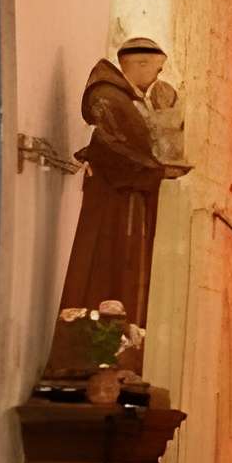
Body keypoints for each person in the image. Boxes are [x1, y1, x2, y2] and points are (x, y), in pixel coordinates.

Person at [41, 40, 189, 382]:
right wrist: (158, 171)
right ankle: (89, 361)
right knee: (104, 270)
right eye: (156, 68)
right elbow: (110, 149)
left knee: (121, 275)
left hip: (126, 200)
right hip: (112, 205)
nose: (158, 76)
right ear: (138, 64)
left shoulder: (125, 100)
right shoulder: (109, 97)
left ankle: (114, 362)